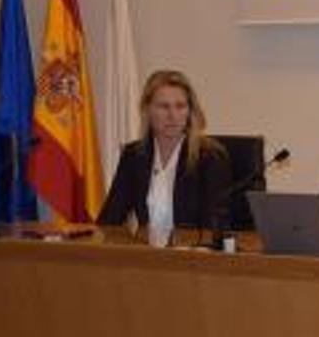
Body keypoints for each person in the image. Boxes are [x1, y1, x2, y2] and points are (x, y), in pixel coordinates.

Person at [98, 70, 232, 244]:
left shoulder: (210, 156)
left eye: (180, 106)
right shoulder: (134, 155)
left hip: (194, 259)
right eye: (163, 106)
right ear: (147, 110)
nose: (172, 115)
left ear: (190, 111)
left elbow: (215, 227)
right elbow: (110, 220)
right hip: (147, 257)